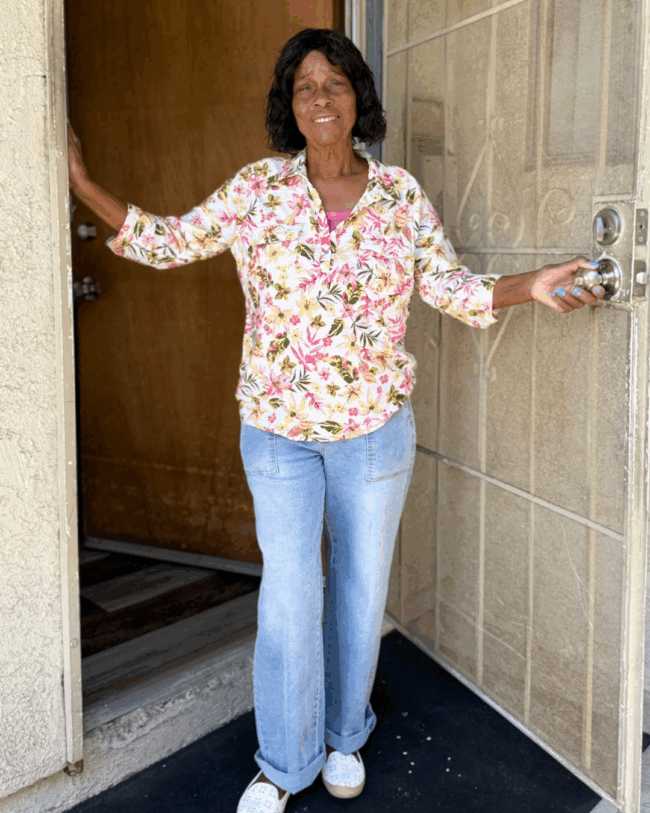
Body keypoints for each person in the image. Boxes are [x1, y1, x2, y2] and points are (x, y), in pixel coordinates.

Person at [68, 27, 604, 813]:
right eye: (305, 86)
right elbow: (172, 241)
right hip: (279, 431)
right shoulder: (259, 190)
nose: (321, 97)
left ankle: (346, 733)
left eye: (336, 82)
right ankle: (284, 761)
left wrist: (535, 285)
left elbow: (452, 289)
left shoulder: (400, 196)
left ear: (359, 98)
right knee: (290, 593)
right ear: (291, 105)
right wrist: (81, 182)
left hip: (374, 430)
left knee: (357, 589)